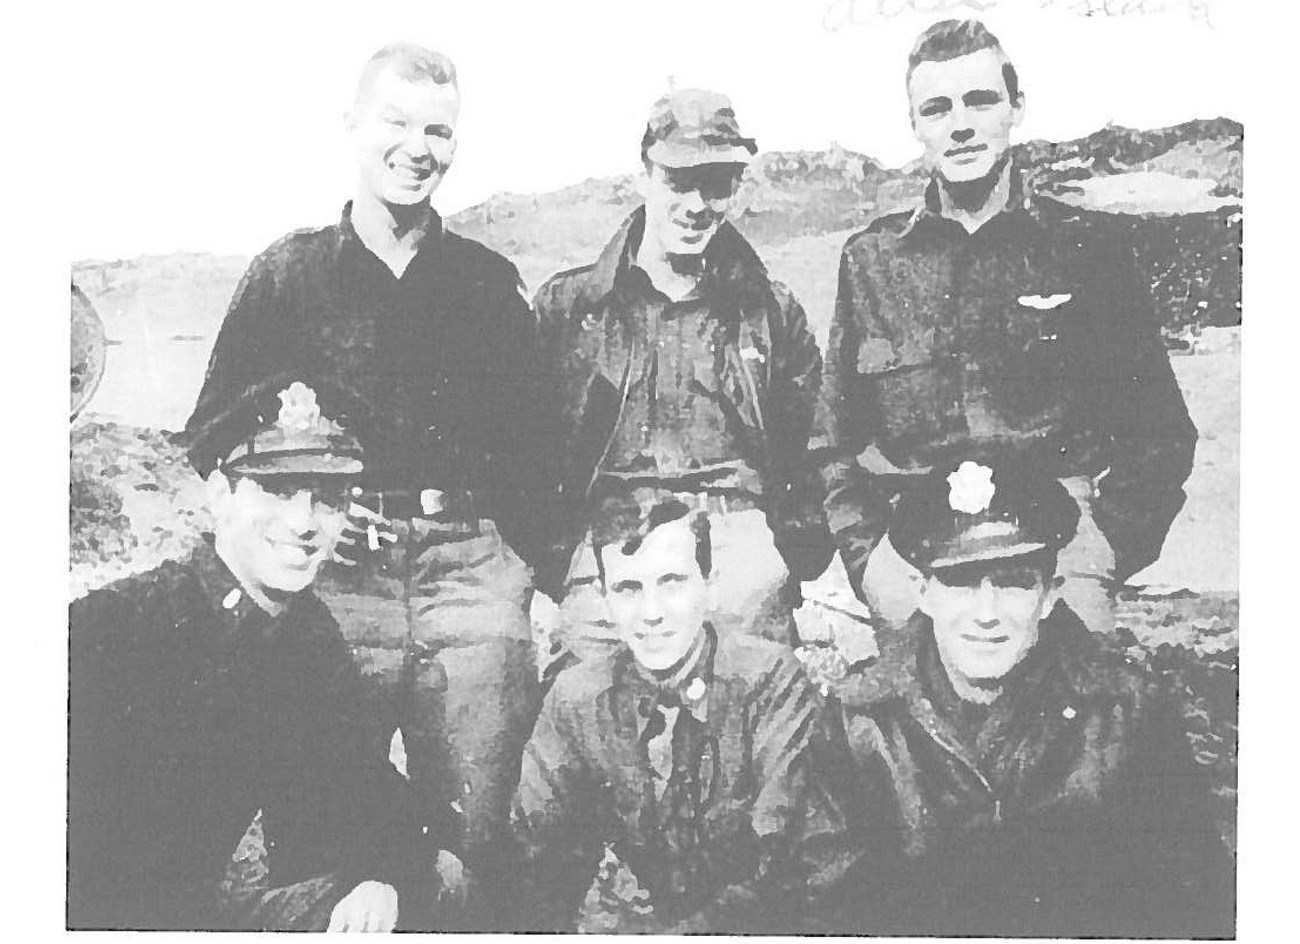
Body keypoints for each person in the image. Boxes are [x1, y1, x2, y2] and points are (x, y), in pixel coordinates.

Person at [182, 43, 544, 899]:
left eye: (438, 130)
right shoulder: (287, 276)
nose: (417, 146)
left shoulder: (488, 285)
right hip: (338, 574)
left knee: (475, 846)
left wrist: (513, 572)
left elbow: (537, 452)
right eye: (395, 122)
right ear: (352, 126)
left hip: (469, 577)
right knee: (327, 842)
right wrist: (289, 464)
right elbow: (210, 437)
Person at [813, 19, 1197, 636]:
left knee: (1080, 705)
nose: (960, 124)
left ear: (1016, 107)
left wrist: (1104, 546)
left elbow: (1160, 434)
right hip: (915, 544)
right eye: (937, 108)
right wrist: (867, 562)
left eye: (981, 100)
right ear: (915, 126)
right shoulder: (871, 261)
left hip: (1057, 538)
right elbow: (833, 441)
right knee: (903, 715)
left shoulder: (1088, 250)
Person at [69, 377, 447, 931]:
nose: (303, 522)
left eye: (328, 498)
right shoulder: (115, 625)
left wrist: (379, 880)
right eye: (276, 489)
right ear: (219, 494)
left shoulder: (306, 637)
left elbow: (366, 795)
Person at [815, 459, 1234, 936]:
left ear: (1051, 594)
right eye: (960, 582)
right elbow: (829, 908)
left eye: (1014, 582)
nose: (986, 613)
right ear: (923, 593)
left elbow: (1191, 904)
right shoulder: (860, 722)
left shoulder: (1128, 710)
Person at [531, 88, 831, 667]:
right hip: (610, 543)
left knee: (755, 706)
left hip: (734, 540)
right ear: (644, 173)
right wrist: (556, 567)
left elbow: (809, 450)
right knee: (589, 711)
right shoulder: (570, 308)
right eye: (678, 180)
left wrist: (792, 559)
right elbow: (529, 451)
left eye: (718, 183)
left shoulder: (770, 311)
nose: (698, 204)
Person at [510, 494, 841, 932]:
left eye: (672, 582)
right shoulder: (577, 699)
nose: (651, 614)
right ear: (605, 598)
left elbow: (782, 864)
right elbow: (535, 850)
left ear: (710, 584)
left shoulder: (769, 681)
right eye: (628, 589)